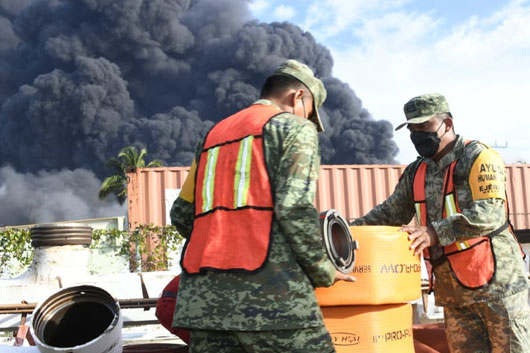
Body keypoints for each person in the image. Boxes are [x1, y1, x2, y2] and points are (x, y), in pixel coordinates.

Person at [170, 59, 354, 353]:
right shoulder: (294, 129)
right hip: (274, 302)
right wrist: (324, 270)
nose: (308, 121)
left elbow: (180, 215)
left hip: (204, 306)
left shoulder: (211, 137)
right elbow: (294, 209)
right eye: (309, 113)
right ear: (298, 97)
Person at [351, 93, 530, 353]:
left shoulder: (478, 157)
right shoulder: (416, 171)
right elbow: (388, 214)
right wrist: (346, 231)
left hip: (498, 288)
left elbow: (491, 212)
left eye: (424, 127)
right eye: (412, 129)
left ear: (447, 123)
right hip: (454, 294)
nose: (417, 135)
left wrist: (434, 232)